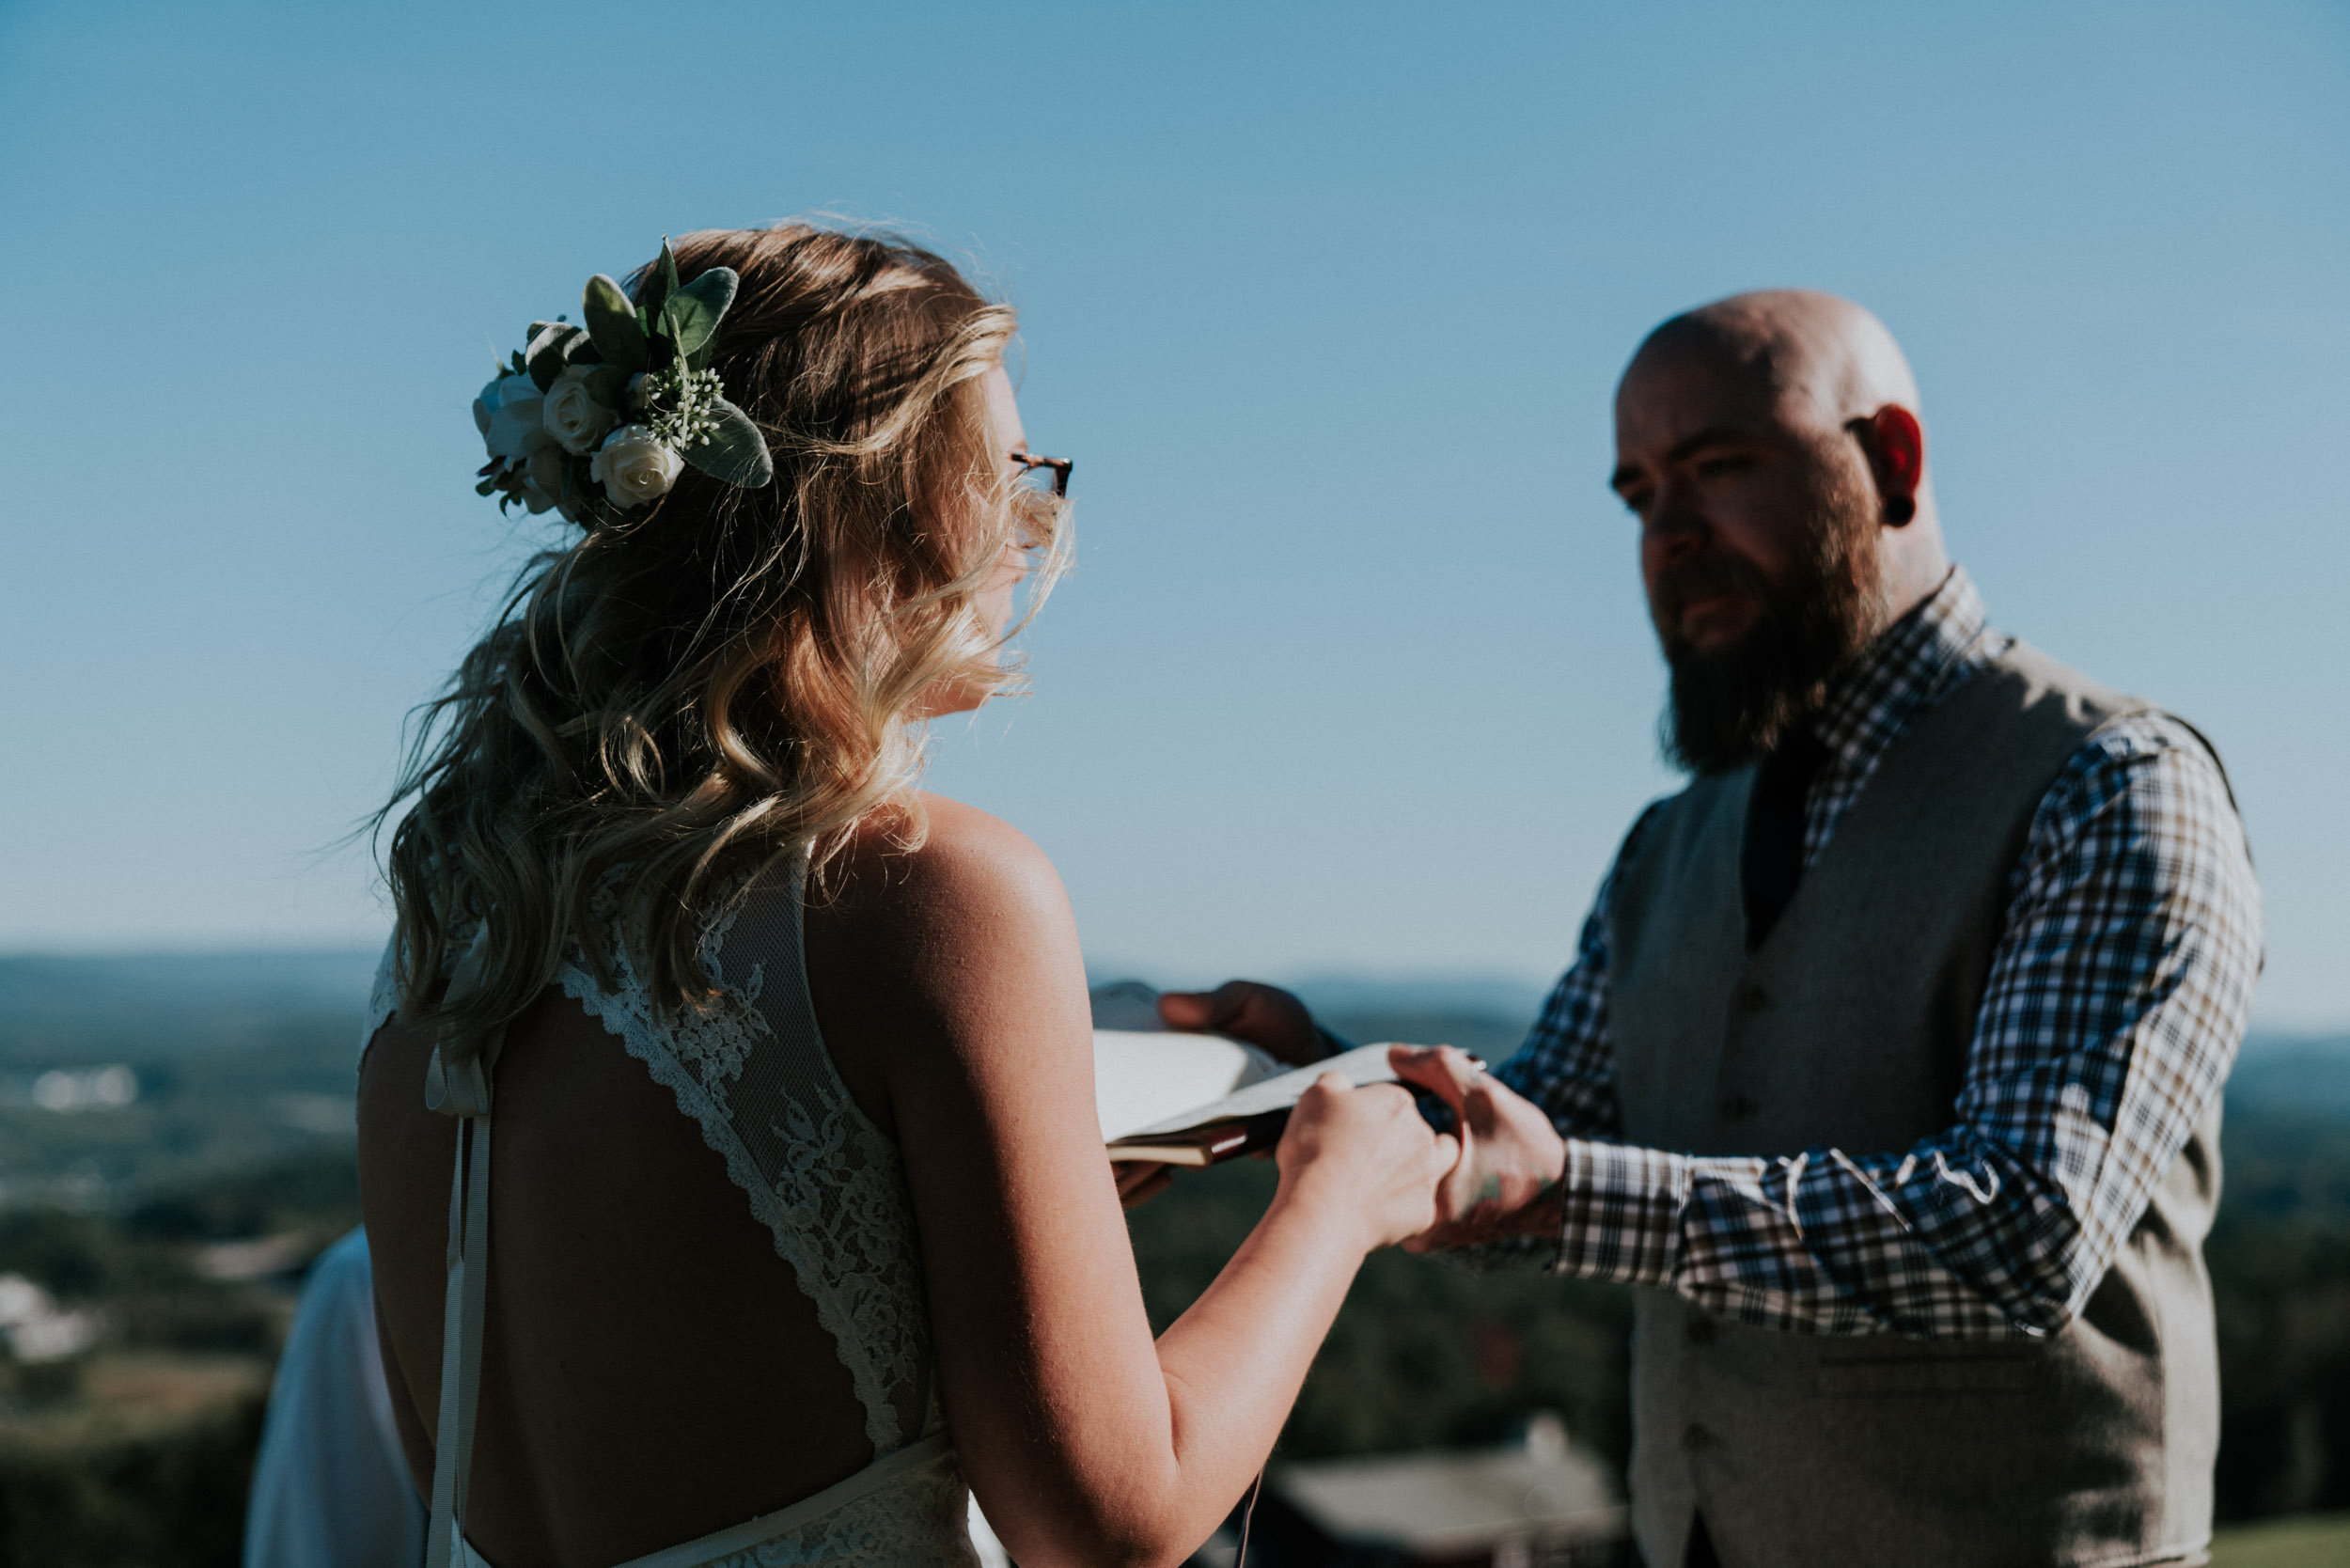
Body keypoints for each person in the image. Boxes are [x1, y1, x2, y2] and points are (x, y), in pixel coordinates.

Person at [358, 223, 1454, 1568]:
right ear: (873, 498)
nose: (1029, 520)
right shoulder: (924, 891)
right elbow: (1109, 1522)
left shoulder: (451, 952)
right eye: (1007, 469)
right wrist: (1340, 1194)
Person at [1168, 290, 2263, 1568]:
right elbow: (1542, 1131)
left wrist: (1563, 1191)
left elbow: (2022, 1230)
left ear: (1892, 464)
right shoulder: (1667, 844)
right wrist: (1317, 1079)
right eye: (1637, 495)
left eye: (1721, 467)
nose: (1669, 534)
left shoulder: (2110, 785)